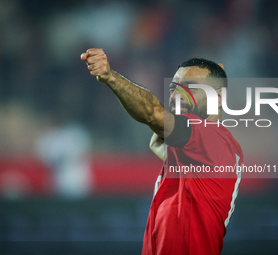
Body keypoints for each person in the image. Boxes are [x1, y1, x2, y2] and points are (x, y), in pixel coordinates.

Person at [81, 49, 243, 255]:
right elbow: (157, 140)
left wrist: (110, 76)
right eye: (174, 88)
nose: (177, 96)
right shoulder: (197, 150)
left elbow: (153, 114)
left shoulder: (214, 139)